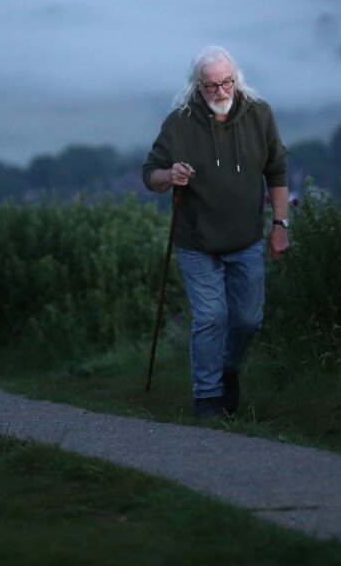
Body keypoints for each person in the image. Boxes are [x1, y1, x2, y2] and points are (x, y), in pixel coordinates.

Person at [142, 46, 290, 420]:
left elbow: (277, 171)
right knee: (210, 317)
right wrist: (169, 175)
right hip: (197, 241)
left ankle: (227, 369)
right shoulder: (179, 123)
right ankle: (207, 397)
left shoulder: (259, 115)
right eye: (211, 86)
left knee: (248, 320)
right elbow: (151, 175)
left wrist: (279, 225)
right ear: (197, 86)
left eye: (227, 82)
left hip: (246, 240)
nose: (221, 92)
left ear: (236, 78)